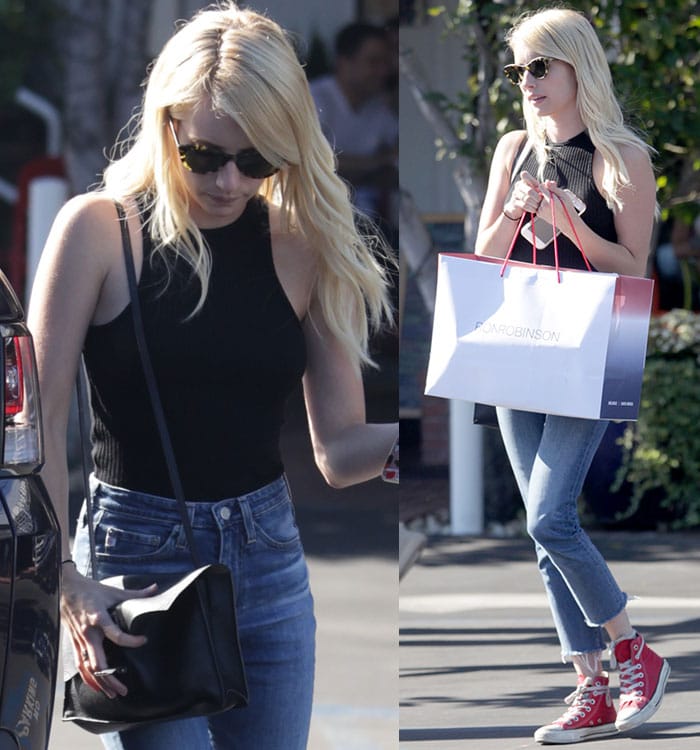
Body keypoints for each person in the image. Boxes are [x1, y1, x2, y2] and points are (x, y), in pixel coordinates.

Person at [27, 4, 398, 750]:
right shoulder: (100, 231)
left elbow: (340, 449)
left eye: (257, 159)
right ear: (166, 128)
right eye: (203, 156)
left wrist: (422, 436)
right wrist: (63, 582)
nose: (230, 181)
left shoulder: (307, 245)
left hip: (270, 568)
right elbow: (31, 427)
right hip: (135, 564)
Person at [474, 8, 669, 745]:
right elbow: (485, 255)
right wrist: (522, 215)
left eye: (539, 67)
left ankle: (632, 651)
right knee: (543, 533)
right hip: (517, 345)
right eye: (518, 69)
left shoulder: (623, 156)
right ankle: (590, 684)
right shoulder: (513, 148)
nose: (525, 82)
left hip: (590, 346)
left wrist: (572, 225)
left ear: (576, 67)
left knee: (548, 515)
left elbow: (632, 267)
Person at [309, 22, 398, 232]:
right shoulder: (314, 99)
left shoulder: (379, 107)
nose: (383, 71)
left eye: (386, 63)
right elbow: (314, 162)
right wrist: (378, 162)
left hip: (365, 221)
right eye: (373, 62)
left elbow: (398, 159)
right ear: (344, 63)